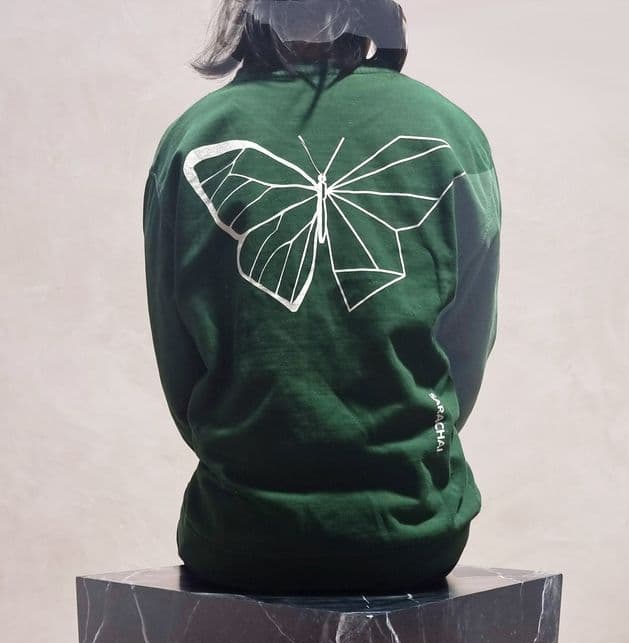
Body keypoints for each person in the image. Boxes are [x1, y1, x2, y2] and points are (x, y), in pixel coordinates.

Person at [143, 1, 502, 596]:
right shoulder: (450, 133)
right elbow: (465, 350)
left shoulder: (193, 138)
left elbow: (179, 355)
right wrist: (428, 437)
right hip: (415, 531)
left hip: (237, 534)